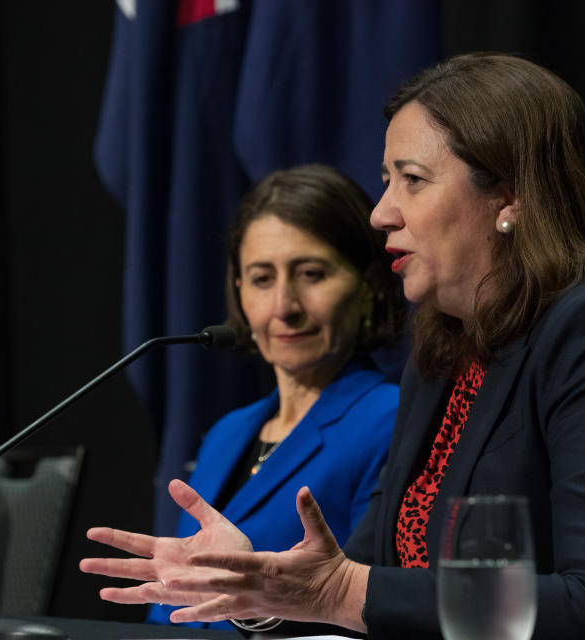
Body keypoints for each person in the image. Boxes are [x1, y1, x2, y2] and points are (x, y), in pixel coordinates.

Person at [80, 53, 585, 639]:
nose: (381, 213)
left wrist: (343, 591)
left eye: (412, 180)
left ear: (508, 195)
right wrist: (264, 591)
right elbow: (377, 581)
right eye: (385, 180)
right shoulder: (445, 350)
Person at [142, 164, 407, 629]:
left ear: (369, 288)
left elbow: (382, 610)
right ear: (240, 293)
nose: (284, 307)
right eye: (262, 279)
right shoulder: (227, 433)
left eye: (311, 273)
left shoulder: (392, 420)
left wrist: (255, 611)